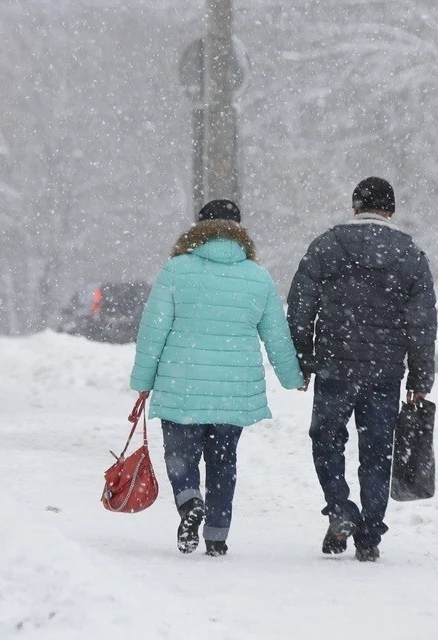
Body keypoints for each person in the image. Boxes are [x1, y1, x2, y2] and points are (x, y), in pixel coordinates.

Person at [130, 199, 305, 557]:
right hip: (234, 392)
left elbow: (153, 330)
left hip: (182, 385)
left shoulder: (176, 270)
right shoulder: (257, 276)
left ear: (198, 228)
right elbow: (276, 334)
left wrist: (143, 381)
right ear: (240, 231)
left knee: (181, 457)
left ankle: (189, 501)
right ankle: (217, 534)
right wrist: (292, 377)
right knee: (223, 461)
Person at [287, 177, 437, 562]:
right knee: (377, 453)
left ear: (355, 206)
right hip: (384, 374)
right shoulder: (409, 253)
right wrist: (419, 377)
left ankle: (340, 508)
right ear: (391, 209)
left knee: (327, 441)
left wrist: (303, 360)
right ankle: (369, 534)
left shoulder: (327, 246)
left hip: (335, 368)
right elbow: (422, 323)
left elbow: (300, 307)